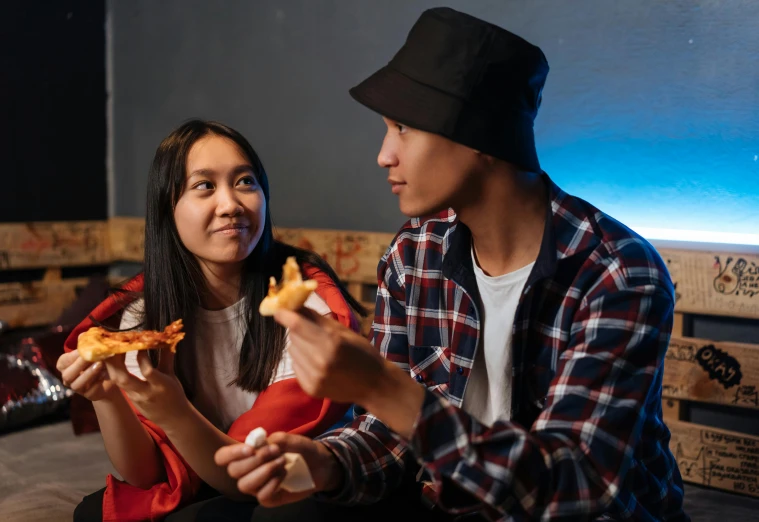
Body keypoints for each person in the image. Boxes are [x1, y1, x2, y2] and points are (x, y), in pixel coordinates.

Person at [215, 8, 689, 521]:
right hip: (452, 505)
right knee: (286, 512)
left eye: (402, 128)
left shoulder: (614, 273)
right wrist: (328, 461)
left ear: (480, 138)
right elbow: (393, 435)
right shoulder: (414, 254)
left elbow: (576, 484)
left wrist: (378, 386)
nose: (383, 155)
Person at [56, 119, 364, 521]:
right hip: (209, 476)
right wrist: (106, 395)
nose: (231, 204)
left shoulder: (303, 304)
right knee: (91, 514)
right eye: (205, 186)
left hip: (293, 480)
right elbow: (145, 474)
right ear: (169, 208)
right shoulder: (144, 314)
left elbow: (250, 479)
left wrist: (173, 410)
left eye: (245, 182)